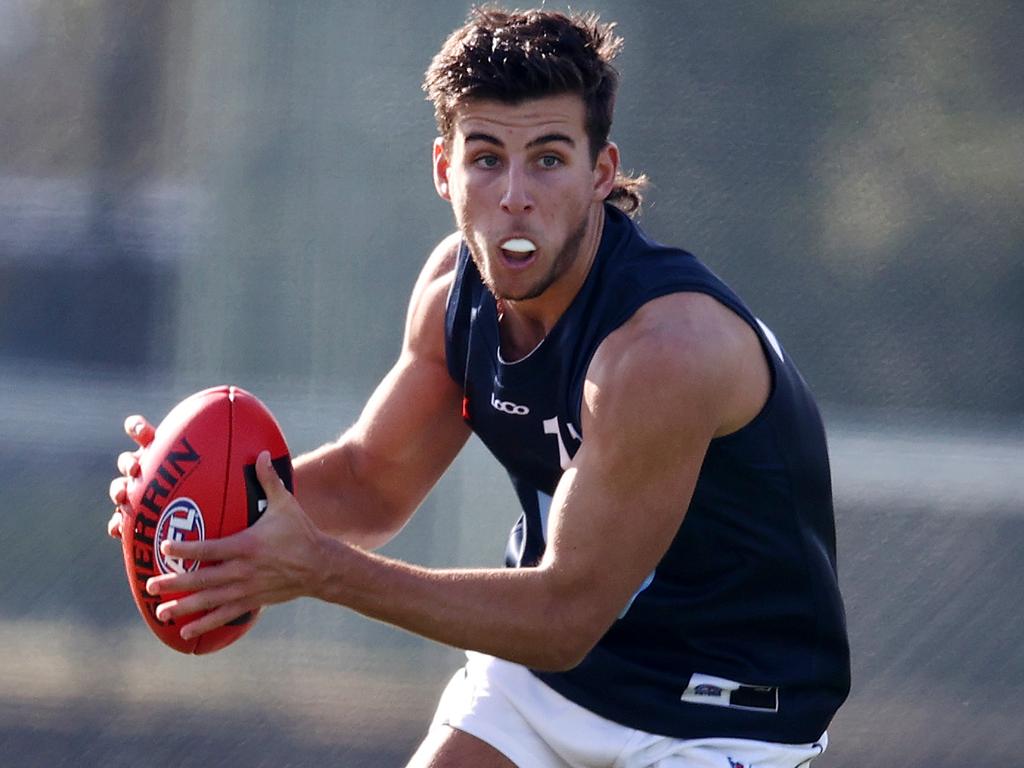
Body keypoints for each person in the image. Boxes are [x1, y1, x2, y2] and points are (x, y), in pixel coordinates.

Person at [108, 7, 850, 767]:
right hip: (547, 688)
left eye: (549, 159)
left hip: (717, 708)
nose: (515, 195)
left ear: (601, 173)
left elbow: (566, 617)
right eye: (487, 157)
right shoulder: (451, 292)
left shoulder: (664, 351)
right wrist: (204, 512)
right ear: (443, 169)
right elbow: (369, 484)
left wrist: (322, 571)